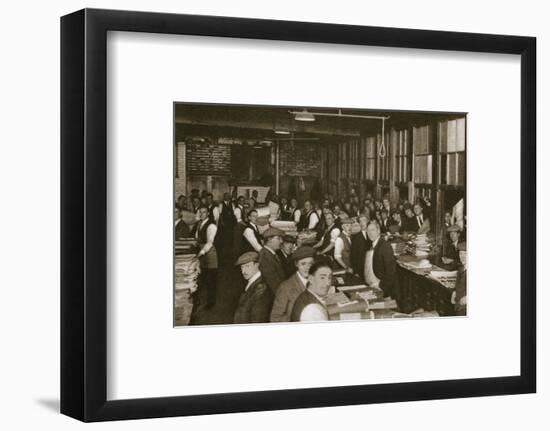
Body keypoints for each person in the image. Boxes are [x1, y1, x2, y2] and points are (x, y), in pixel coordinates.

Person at [270, 246, 316, 322]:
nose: (308, 267)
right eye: (303, 264)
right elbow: (275, 319)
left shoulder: (316, 281)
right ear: (296, 264)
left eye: (310, 264)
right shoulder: (285, 287)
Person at [233, 252, 274, 324]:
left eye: (247, 266)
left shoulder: (262, 289)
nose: (243, 271)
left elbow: (258, 320)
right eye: (241, 267)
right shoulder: (252, 282)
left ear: (257, 265)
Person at [364, 220, 397, 299]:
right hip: (374, 287)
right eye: (368, 231)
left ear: (378, 231)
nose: (370, 233)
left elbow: (391, 272)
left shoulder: (385, 246)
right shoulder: (373, 245)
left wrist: (381, 286)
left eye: (373, 230)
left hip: (383, 290)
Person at [194, 206, 218, 310]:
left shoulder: (211, 225)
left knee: (210, 279)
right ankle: (198, 301)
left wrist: (202, 252)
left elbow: (210, 242)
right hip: (201, 253)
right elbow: (197, 238)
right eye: (200, 212)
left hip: (209, 254)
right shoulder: (199, 223)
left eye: (204, 212)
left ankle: (211, 303)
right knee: (200, 278)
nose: (202, 214)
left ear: (208, 213)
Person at [259, 227, 286, 293]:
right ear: (269, 240)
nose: (281, 241)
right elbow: (273, 283)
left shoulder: (270, 254)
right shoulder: (265, 257)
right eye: (278, 238)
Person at [451, 242, 467, 316]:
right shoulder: (461, 268)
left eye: (466, 254)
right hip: (458, 303)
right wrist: (454, 292)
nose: (462, 257)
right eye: (461, 254)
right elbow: (458, 283)